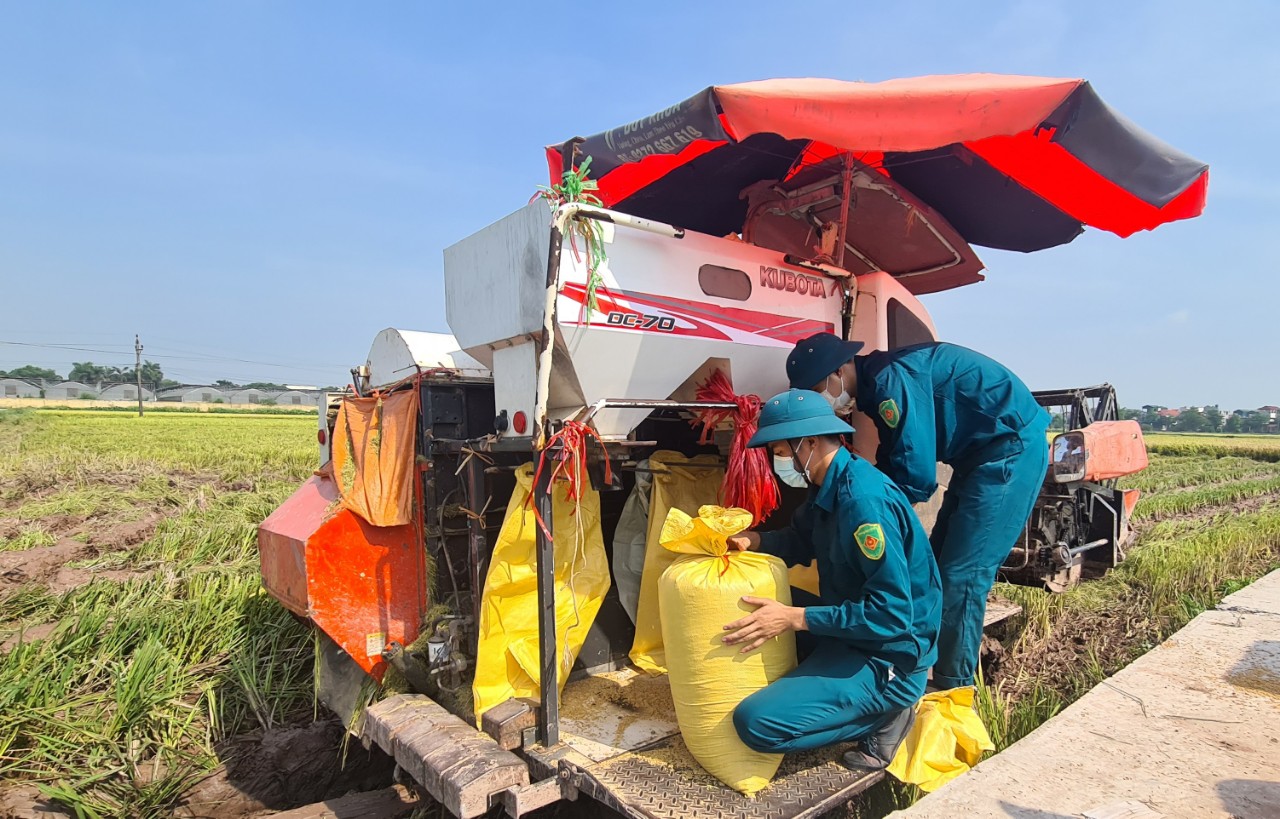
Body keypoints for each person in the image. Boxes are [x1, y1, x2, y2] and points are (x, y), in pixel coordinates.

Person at [785, 333, 1050, 690]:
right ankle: (922, 666)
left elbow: (916, 475)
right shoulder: (877, 386)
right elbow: (895, 460)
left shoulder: (890, 382)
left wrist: (865, 511)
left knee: (962, 576)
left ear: (841, 369)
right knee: (936, 568)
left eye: (819, 389)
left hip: (1010, 451)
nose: (822, 400)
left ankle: (953, 691)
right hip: (977, 458)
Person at [724, 389, 941, 771]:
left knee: (754, 724)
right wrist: (753, 540)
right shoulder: (828, 485)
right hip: (855, 630)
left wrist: (795, 618)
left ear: (808, 443)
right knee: (750, 601)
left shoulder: (862, 503)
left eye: (780, 451)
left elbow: (891, 614)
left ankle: (887, 715)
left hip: (890, 655)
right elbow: (800, 539)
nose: (778, 461)